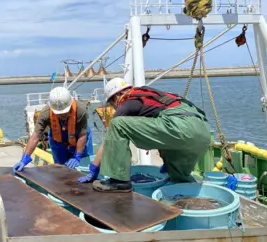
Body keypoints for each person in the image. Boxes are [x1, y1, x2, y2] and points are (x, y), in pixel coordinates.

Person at [78, 77, 211, 193]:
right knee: (179, 178)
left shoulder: (128, 102)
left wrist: (94, 168)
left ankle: (118, 182)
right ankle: (188, 195)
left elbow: (110, 137)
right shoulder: (148, 96)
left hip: (180, 126)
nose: (114, 107)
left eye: (112, 104)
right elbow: (159, 129)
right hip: (203, 132)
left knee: (117, 124)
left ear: (116, 97)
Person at [13, 86, 94, 172]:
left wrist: (77, 156)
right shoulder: (45, 114)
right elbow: (34, 137)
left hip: (79, 136)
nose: (62, 115)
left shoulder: (80, 110)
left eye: (65, 112)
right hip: (58, 141)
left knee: (85, 167)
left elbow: (82, 135)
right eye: (59, 113)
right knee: (61, 170)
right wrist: (24, 158)